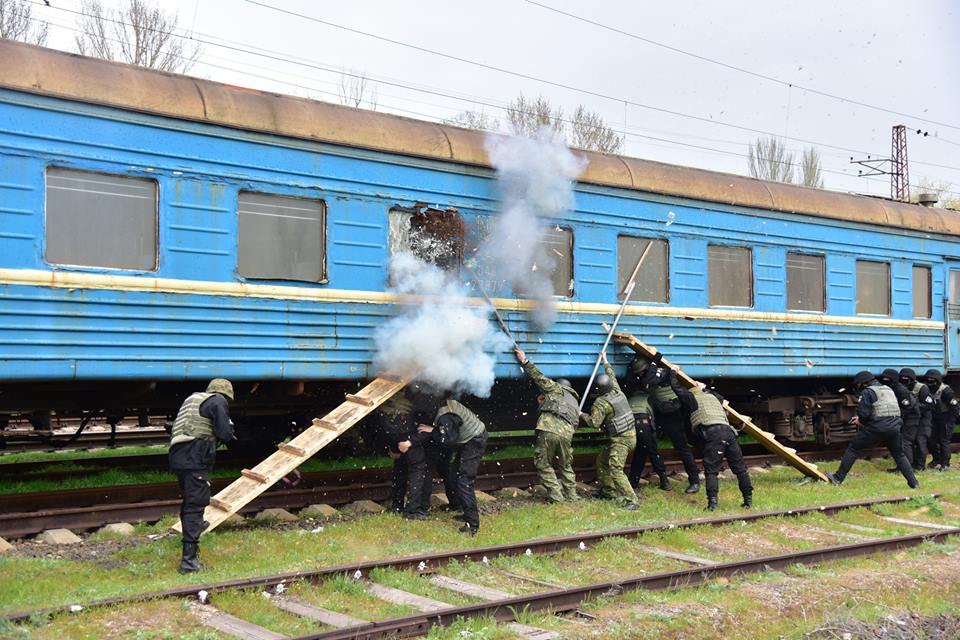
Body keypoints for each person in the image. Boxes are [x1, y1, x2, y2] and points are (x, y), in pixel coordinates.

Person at [169, 378, 236, 573]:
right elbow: (224, 433)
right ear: (225, 394)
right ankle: (189, 562)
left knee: (189, 501)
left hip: (178, 456)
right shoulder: (217, 401)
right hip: (194, 459)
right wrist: (230, 431)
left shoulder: (193, 399)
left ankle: (196, 527)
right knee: (196, 505)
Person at [667, 369, 751, 510]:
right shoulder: (714, 398)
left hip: (713, 434)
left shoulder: (691, 398)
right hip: (728, 432)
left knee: (711, 470)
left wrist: (672, 373)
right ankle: (748, 501)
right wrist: (704, 387)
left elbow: (677, 389)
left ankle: (712, 505)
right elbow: (722, 399)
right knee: (740, 469)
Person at [826, 371, 919, 488]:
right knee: (899, 455)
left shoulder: (868, 391)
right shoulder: (888, 389)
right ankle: (914, 483)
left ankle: (838, 478)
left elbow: (864, 415)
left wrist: (860, 421)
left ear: (863, 384)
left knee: (853, 448)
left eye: (858, 385)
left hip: (878, 427)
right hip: (895, 426)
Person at [514, 346, 580, 503]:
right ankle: (572, 496)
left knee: (543, 463)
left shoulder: (556, 389)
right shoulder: (574, 402)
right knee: (565, 465)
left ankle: (556, 496)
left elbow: (539, 377)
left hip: (548, 429)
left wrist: (525, 360)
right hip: (567, 434)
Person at [417, 395, 488, 536]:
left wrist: (433, 431)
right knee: (453, 475)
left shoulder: (445, 417)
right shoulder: (445, 404)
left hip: (474, 440)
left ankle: (472, 524)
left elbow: (449, 440)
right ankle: (460, 507)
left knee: (464, 481)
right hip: (469, 439)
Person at [579, 352, 641, 510]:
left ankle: (632, 500)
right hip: (631, 436)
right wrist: (605, 360)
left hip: (622, 440)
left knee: (615, 468)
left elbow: (594, 423)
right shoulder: (617, 391)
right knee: (602, 460)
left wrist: (581, 414)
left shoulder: (601, 403)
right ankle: (608, 491)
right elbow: (611, 375)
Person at [643, 359, 701, 494]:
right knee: (650, 446)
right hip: (662, 414)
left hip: (672, 416)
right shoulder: (663, 373)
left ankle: (694, 481)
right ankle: (667, 481)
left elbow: (650, 382)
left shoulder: (665, 374)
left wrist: (654, 365)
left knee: (682, 449)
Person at [624, 354, 670, 491]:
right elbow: (660, 412)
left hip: (631, 428)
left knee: (639, 454)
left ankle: (633, 482)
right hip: (644, 425)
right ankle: (664, 481)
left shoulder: (630, 400)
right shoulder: (650, 398)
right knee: (653, 453)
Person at [375, 388, 416, 513]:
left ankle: (400, 505)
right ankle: (411, 506)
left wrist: (394, 448)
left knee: (403, 472)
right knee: (412, 473)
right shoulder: (405, 405)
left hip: (406, 438)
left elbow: (392, 431)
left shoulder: (391, 410)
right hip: (409, 436)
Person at [877, 368, 920, 474]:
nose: (885, 380)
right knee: (899, 442)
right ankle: (901, 467)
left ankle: (908, 468)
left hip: (910, 418)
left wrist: (896, 417)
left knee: (905, 442)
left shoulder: (900, 390)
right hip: (902, 418)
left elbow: (907, 407)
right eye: (884, 378)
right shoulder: (890, 388)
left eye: (888, 378)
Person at [922, 369, 957, 471]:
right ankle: (936, 459)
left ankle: (945, 464)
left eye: (932, 380)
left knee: (944, 440)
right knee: (930, 439)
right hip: (934, 418)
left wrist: (950, 422)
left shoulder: (946, 391)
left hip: (946, 418)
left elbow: (955, 407)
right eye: (928, 380)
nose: (930, 383)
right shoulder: (927, 389)